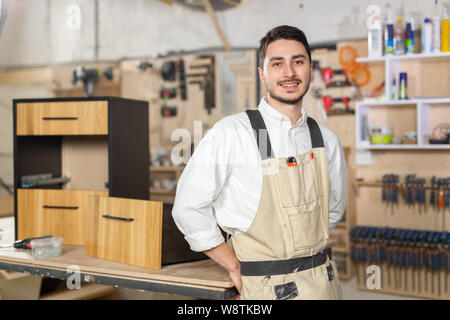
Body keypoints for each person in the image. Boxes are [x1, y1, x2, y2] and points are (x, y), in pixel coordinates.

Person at [172, 25, 347, 300]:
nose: (289, 73)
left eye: (298, 62)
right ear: (262, 74)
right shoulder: (232, 133)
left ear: (310, 69)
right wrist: (232, 264)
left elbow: (332, 211)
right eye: (277, 64)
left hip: (323, 285)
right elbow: (187, 207)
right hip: (263, 289)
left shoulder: (326, 140)